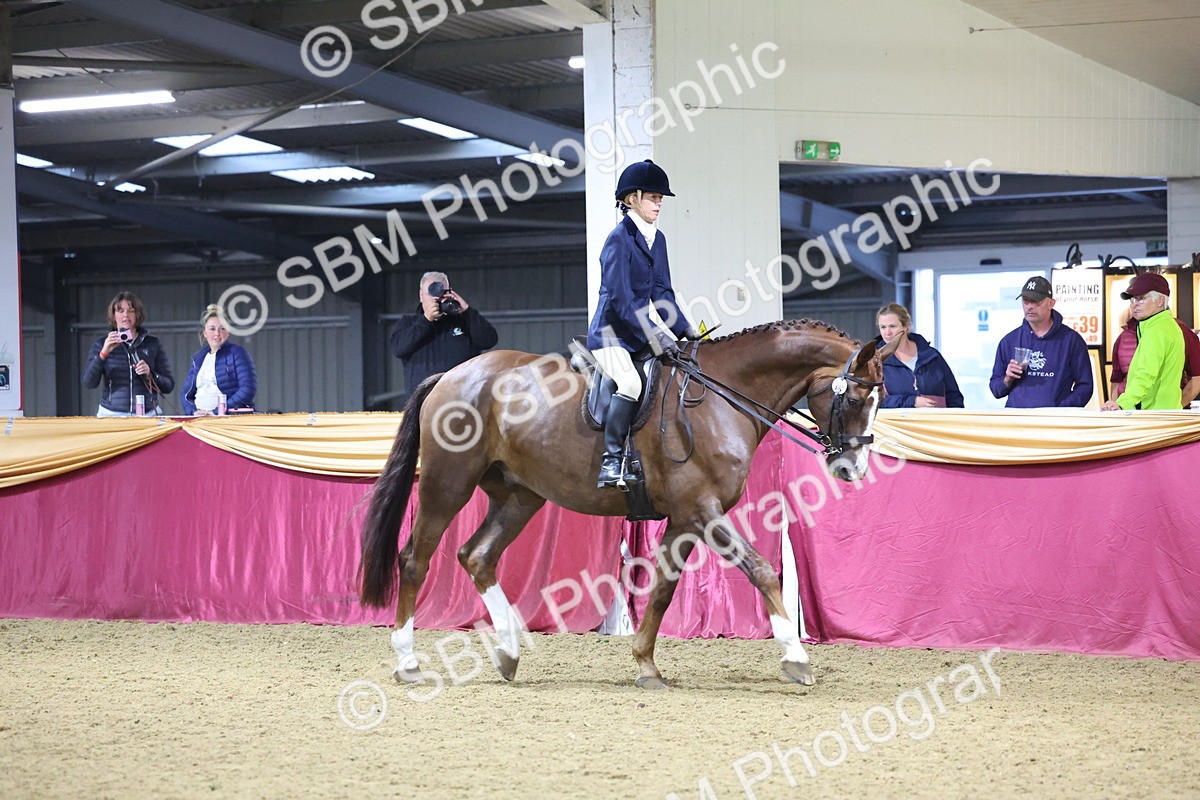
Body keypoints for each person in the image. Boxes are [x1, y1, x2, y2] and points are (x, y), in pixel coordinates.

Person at [587, 159, 700, 488]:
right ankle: (611, 462)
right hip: (611, 335)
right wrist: (656, 336)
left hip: (639, 334)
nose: (659, 204)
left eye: (661, 199)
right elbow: (622, 301)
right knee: (631, 384)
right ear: (631, 199)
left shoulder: (658, 239)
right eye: (653, 197)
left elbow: (661, 293)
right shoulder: (618, 240)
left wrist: (685, 332)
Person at [989, 276, 1092, 407]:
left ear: (1051, 303)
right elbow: (995, 390)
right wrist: (1007, 379)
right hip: (1017, 422)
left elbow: (1085, 386)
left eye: (1036, 301)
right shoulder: (1009, 341)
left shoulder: (1071, 340)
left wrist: (1061, 410)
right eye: (1026, 301)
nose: (1030, 306)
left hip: (1055, 423)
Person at [389, 271, 498, 393]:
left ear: (450, 293)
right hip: (423, 403)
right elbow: (398, 349)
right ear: (421, 296)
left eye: (442, 292)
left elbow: (489, 340)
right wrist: (426, 320)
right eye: (432, 292)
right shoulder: (409, 322)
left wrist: (467, 311)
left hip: (463, 398)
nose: (437, 298)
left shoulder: (464, 321)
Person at [81, 291, 175, 416]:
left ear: (137, 315)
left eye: (131, 310)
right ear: (114, 316)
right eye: (120, 311)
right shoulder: (101, 344)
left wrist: (150, 374)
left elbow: (168, 386)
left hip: (147, 414)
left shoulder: (152, 343)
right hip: (112, 414)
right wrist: (103, 354)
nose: (126, 315)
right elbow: (89, 382)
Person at [1101, 273, 1185, 411]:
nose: (1134, 304)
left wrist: (1122, 403)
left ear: (1160, 300)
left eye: (1141, 299)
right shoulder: (1166, 326)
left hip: (1154, 417)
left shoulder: (1157, 330)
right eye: (1132, 300)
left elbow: (1146, 374)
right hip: (1163, 413)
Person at [1109, 304, 1200, 407]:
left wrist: (1177, 406)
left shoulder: (1180, 332)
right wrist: (1118, 408)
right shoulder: (1123, 338)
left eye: (1142, 298)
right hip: (1128, 410)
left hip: (1163, 412)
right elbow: (1117, 379)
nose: (1136, 304)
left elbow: (1197, 377)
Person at [875, 303, 964, 408]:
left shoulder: (932, 356)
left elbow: (953, 395)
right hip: (898, 423)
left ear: (905, 326)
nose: (887, 332)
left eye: (892, 326)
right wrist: (912, 401)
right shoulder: (875, 362)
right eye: (883, 327)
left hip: (934, 422)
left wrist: (953, 420)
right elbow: (872, 401)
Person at [181, 304, 257, 415]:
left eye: (222, 328)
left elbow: (247, 389)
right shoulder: (198, 359)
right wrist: (193, 412)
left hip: (226, 419)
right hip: (199, 420)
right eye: (212, 329)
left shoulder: (237, 353)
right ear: (204, 333)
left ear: (228, 331)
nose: (217, 333)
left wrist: (217, 411)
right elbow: (186, 394)